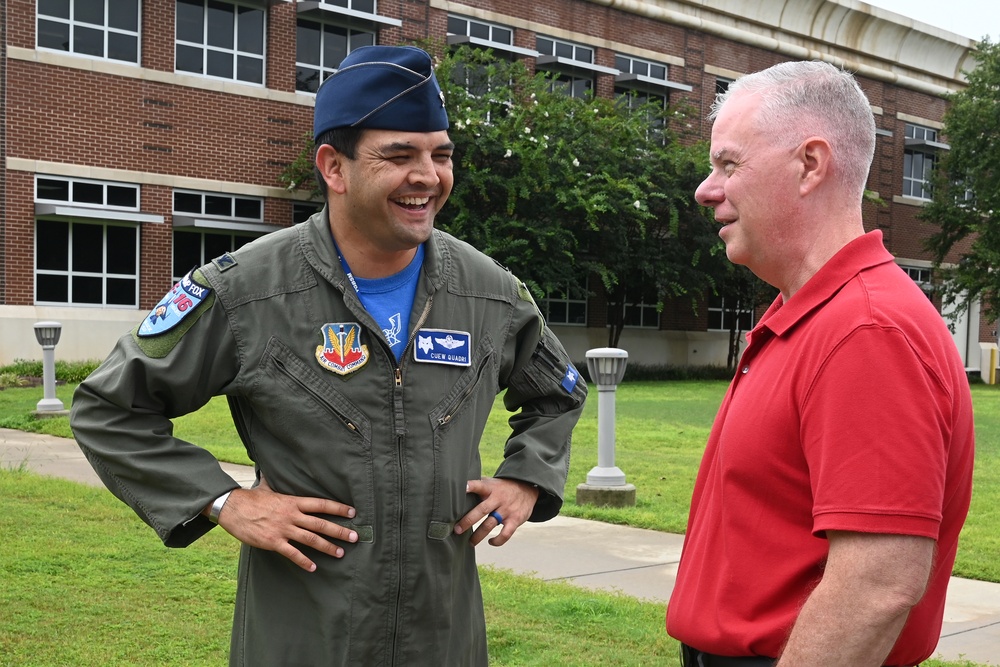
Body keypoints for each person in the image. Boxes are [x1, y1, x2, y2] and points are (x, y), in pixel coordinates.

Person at [70, 45, 587, 667]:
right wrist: (224, 501)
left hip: (442, 638)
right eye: (399, 155)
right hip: (302, 636)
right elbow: (109, 408)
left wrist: (527, 477)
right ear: (333, 167)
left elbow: (557, 390)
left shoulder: (488, 292)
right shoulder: (247, 291)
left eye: (440, 154)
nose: (428, 175)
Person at [666, 60, 975, 666]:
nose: (706, 188)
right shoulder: (814, 314)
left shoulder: (865, 329)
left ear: (810, 164)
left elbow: (877, 585)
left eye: (729, 164)